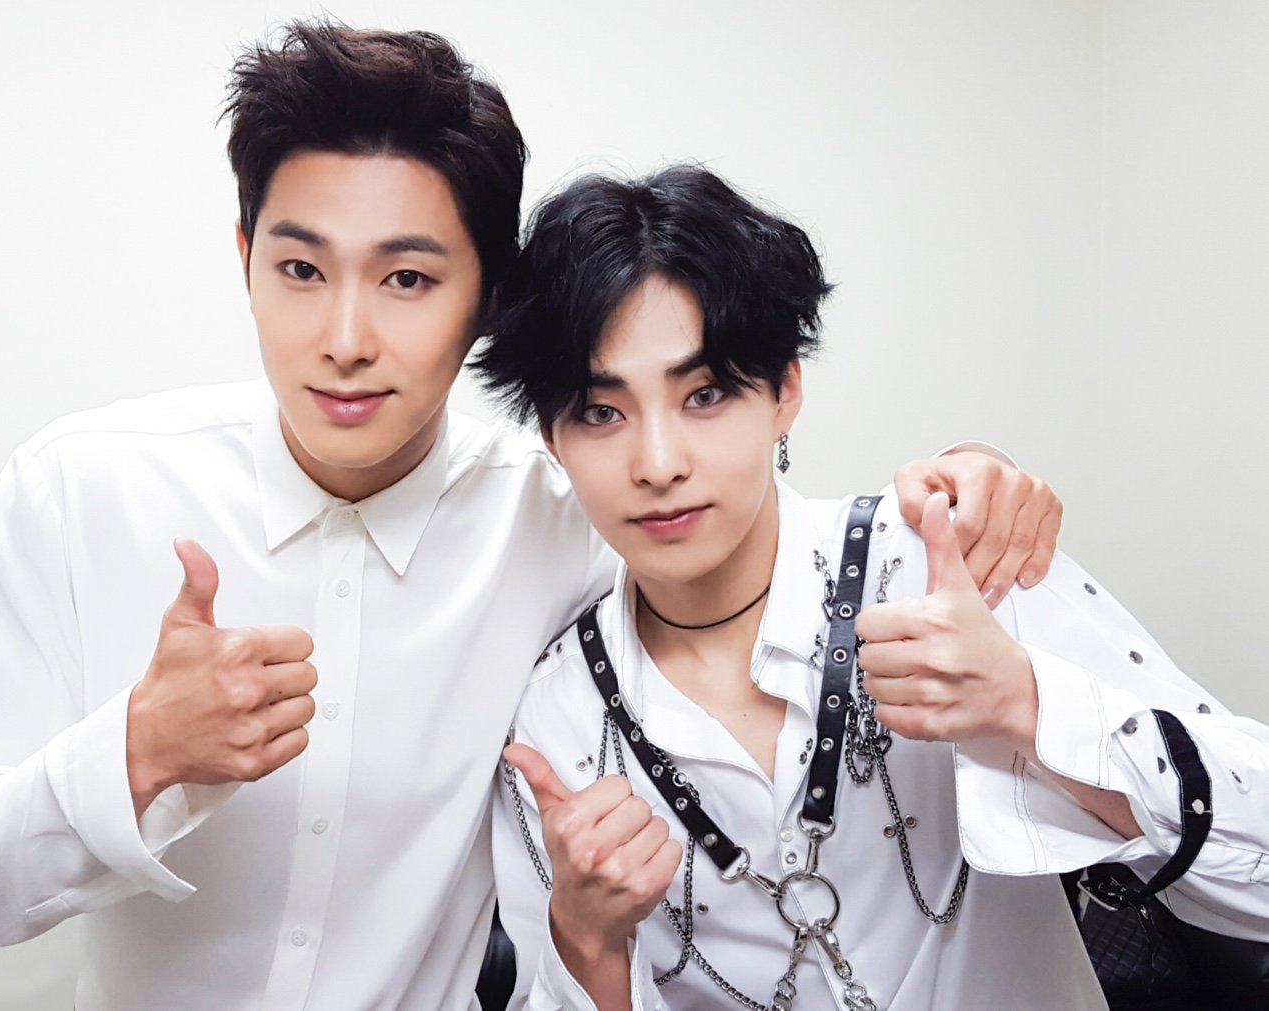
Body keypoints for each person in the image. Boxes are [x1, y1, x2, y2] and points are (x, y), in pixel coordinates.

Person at [0, 23, 1060, 1011]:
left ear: (489, 301)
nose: (346, 339)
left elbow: (756, 522)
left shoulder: (567, 511)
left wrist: (975, 476)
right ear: (246, 258)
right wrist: (137, 754)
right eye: (302, 270)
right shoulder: (78, 491)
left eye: (408, 280)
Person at [479, 165, 1269, 1010]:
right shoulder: (556, 719)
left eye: (704, 394)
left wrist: (1026, 703)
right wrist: (587, 941)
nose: (659, 463)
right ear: (552, 438)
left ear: (785, 392)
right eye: (601, 412)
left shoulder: (946, 562)